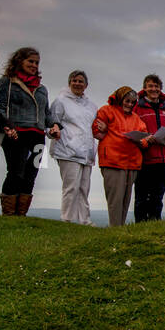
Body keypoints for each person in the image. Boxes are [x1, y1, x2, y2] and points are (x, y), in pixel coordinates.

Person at [0, 47, 61, 217]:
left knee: (32, 174)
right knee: (16, 172)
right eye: (30, 61)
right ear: (19, 61)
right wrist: (7, 126)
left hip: (38, 135)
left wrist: (54, 125)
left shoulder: (42, 88)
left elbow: (46, 113)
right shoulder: (7, 82)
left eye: (36, 62)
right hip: (16, 134)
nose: (34, 65)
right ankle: (9, 213)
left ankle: (21, 214)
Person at [92, 85, 150, 227]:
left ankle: (120, 229)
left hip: (132, 162)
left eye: (132, 102)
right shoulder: (106, 111)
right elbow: (96, 131)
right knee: (115, 200)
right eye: (127, 101)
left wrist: (142, 140)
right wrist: (109, 130)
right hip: (113, 161)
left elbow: (145, 140)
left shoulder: (136, 119)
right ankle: (114, 228)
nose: (129, 104)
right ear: (119, 98)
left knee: (125, 199)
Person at [50, 70, 97, 225]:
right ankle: (67, 219)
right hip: (67, 149)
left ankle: (85, 220)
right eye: (74, 81)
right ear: (69, 82)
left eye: (80, 81)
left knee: (84, 188)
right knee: (71, 187)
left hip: (86, 151)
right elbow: (52, 123)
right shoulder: (61, 101)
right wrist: (53, 132)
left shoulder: (91, 105)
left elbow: (93, 127)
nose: (77, 84)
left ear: (86, 85)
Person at [135, 73, 165, 222]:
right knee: (142, 195)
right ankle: (140, 224)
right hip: (145, 158)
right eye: (150, 86)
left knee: (158, 195)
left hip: (164, 158)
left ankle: (155, 223)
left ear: (160, 89)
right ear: (145, 88)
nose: (154, 89)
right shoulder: (138, 108)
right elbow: (133, 130)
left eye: (156, 86)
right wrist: (147, 139)